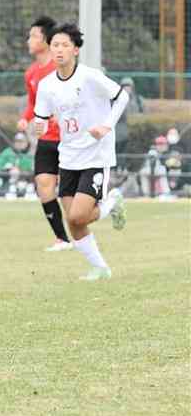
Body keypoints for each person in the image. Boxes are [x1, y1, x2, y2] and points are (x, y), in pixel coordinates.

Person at [34, 23, 129, 281]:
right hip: (68, 157)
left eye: (65, 45)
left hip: (96, 156)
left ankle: (110, 203)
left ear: (75, 50)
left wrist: (106, 126)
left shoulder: (89, 76)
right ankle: (100, 268)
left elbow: (122, 97)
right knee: (74, 222)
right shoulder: (46, 85)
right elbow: (41, 120)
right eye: (55, 45)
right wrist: (38, 126)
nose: (59, 50)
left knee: (79, 214)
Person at [17, 16, 73, 251]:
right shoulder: (31, 74)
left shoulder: (60, 68)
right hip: (47, 140)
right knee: (43, 184)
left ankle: (101, 211)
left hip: (69, 140)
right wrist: (26, 117)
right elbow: (33, 103)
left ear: (46, 40)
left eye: (33, 36)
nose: (29, 40)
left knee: (73, 200)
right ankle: (62, 238)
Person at [114, 76, 145, 162]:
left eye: (129, 86)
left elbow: (144, 115)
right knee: (119, 153)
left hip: (135, 133)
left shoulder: (139, 100)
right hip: (120, 132)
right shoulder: (116, 100)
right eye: (124, 86)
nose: (127, 89)